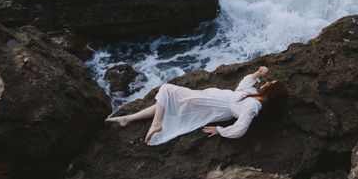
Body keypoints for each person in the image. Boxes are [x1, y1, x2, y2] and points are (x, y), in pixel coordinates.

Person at [105, 66, 288, 145]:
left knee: (167, 90)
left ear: (271, 92)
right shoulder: (255, 96)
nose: (267, 82)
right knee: (169, 103)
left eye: (270, 83)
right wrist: (257, 74)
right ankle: (129, 118)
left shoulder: (253, 107)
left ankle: (157, 123)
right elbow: (243, 86)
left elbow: (240, 128)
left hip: (211, 105)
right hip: (211, 99)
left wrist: (220, 130)